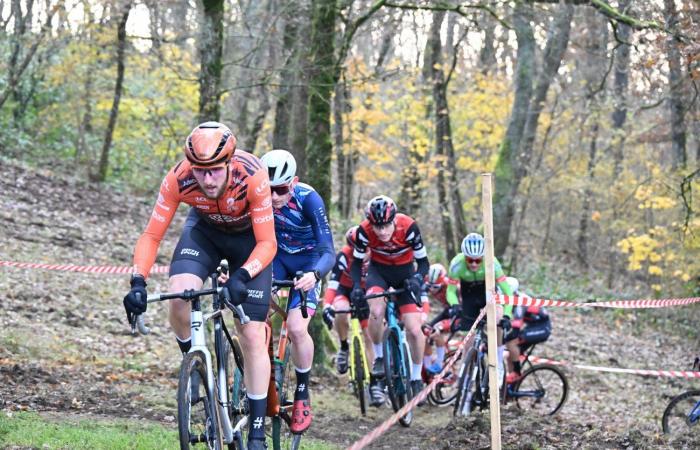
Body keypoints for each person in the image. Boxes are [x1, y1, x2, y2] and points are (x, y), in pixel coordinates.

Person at [122, 122, 276, 450]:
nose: (207, 180)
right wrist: (138, 281)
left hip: (249, 243)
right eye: (200, 172)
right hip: (204, 233)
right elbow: (151, 235)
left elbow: (268, 243)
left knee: (250, 333)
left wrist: (243, 276)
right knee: (179, 296)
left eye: (214, 172)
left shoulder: (253, 175)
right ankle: (195, 362)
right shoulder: (178, 178)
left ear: (229, 163)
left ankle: (258, 431)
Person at [260, 149, 335, 434]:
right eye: (269, 189)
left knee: (296, 327)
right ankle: (257, 366)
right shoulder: (259, 197)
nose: (274, 197)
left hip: (308, 261)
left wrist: (315, 274)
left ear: (294, 181)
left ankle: (302, 392)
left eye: (280, 189)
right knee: (253, 313)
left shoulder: (308, 198)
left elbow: (328, 249)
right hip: (277, 258)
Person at [349, 195, 430, 406]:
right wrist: (357, 287)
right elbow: (357, 265)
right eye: (377, 227)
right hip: (380, 273)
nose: (382, 232)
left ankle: (415, 377)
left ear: (394, 220)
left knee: (413, 329)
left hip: (405, 274)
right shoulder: (363, 232)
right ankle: (378, 357)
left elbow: (423, 263)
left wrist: (417, 279)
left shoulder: (409, 227)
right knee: (375, 311)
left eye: (386, 225)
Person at [446, 232, 514, 385]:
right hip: (469, 296)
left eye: (478, 260)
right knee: (468, 340)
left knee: (497, 321)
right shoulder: (457, 264)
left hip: (488, 295)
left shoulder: (493, 263)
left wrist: (507, 316)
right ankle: (464, 376)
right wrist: (455, 305)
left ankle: (497, 365)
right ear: (464, 257)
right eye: (470, 260)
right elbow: (450, 291)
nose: (474, 264)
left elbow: (508, 292)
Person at [322, 226, 373, 375]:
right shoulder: (344, 256)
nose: (362, 254)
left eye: (366, 249)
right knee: (340, 310)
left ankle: (375, 379)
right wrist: (327, 305)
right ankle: (344, 347)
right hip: (344, 289)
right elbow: (332, 285)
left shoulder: (376, 254)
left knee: (369, 334)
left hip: (365, 292)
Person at [502, 277, 552, 385]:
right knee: (512, 353)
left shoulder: (520, 302)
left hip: (542, 328)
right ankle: (511, 385)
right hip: (533, 326)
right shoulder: (514, 299)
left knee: (511, 343)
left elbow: (515, 331)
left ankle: (516, 373)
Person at [421, 263, 456, 375]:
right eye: (429, 286)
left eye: (435, 287)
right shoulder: (427, 281)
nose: (432, 289)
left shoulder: (450, 285)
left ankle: (439, 364)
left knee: (437, 330)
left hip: (458, 313)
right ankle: (427, 366)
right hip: (447, 311)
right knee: (425, 331)